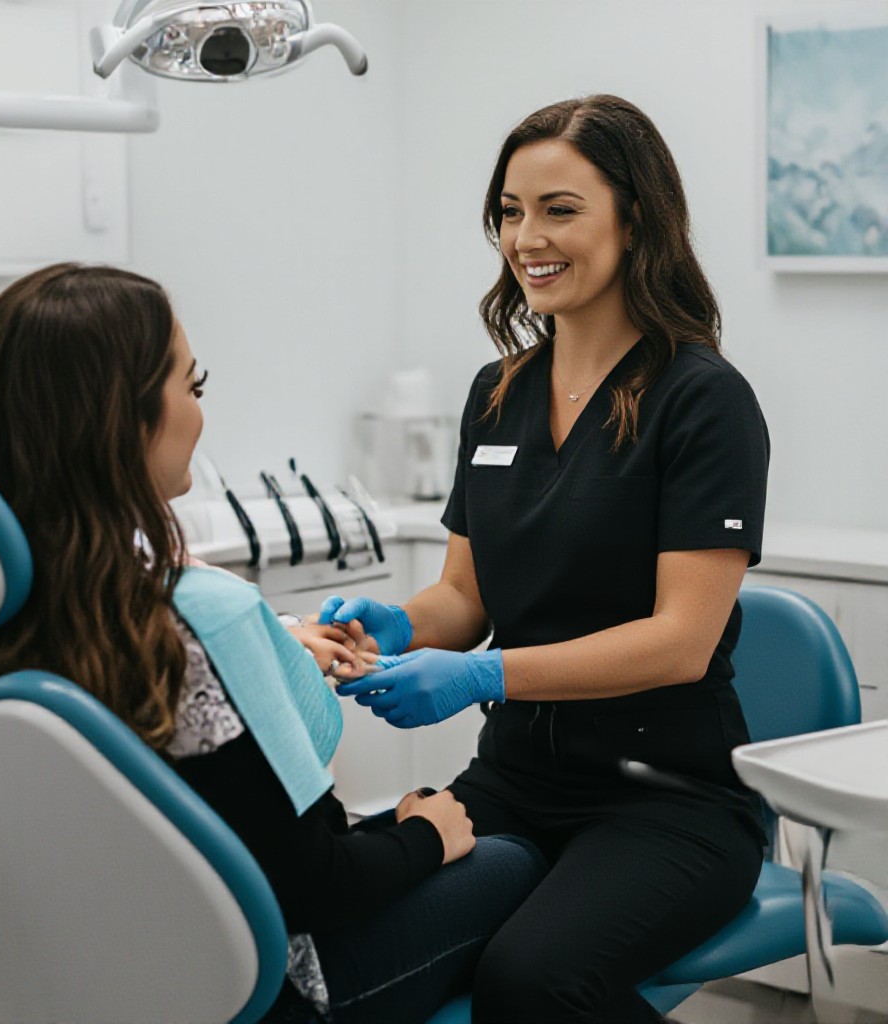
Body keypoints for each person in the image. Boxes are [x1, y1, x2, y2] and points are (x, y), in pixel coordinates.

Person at [0, 262, 546, 1024]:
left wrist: (277, 646)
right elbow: (317, 884)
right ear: (124, 419)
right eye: (195, 386)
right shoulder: (199, 620)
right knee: (509, 860)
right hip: (249, 988)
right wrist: (424, 838)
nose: (200, 412)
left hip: (78, 968)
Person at [322, 94, 770, 1024]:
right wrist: (399, 623)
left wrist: (481, 674)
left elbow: (681, 642)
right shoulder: (499, 393)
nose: (528, 237)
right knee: (336, 948)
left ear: (635, 217)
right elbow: (462, 596)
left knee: (528, 983)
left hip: (669, 805)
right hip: (514, 782)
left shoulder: (703, 401)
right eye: (511, 212)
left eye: (559, 209)